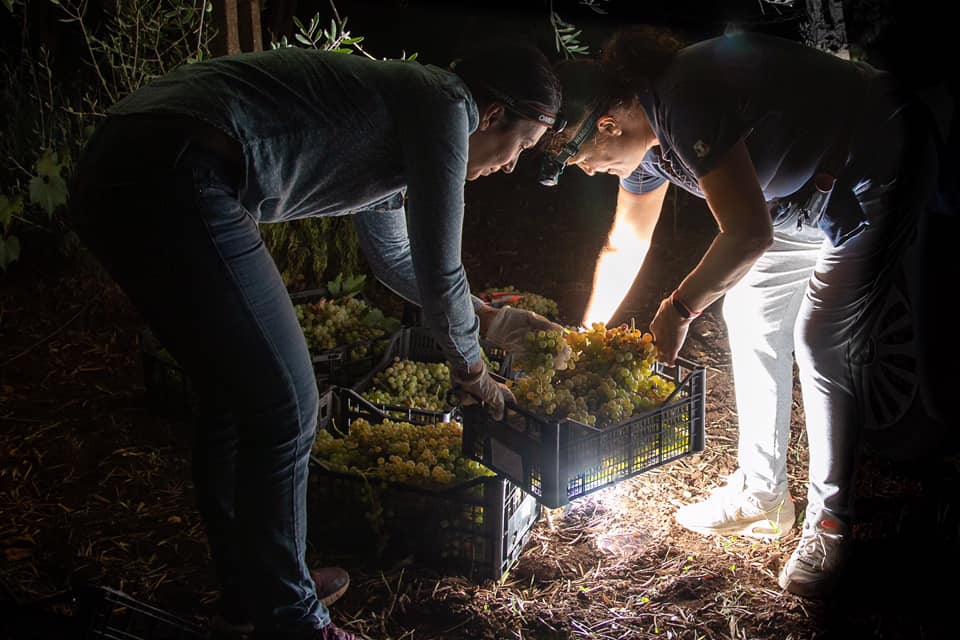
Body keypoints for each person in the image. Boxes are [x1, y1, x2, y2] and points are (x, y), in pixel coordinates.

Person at [67, 42, 567, 639]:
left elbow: (395, 258)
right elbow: (440, 267)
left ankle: (255, 588)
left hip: (132, 163)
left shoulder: (411, 108)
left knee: (235, 395)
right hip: (177, 169)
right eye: (522, 147)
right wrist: (471, 371)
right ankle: (294, 623)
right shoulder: (444, 105)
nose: (511, 166)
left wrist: (492, 319)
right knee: (287, 403)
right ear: (490, 114)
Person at [542, 27, 950, 598]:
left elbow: (747, 233)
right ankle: (762, 495)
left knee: (820, 339)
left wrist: (678, 309)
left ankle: (831, 525)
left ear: (608, 125)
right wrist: (585, 338)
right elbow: (624, 244)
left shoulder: (681, 99)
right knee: (749, 315)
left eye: (581, 159)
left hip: (878, 159)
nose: (586, 171)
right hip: (803, 197)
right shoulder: (643, 147)